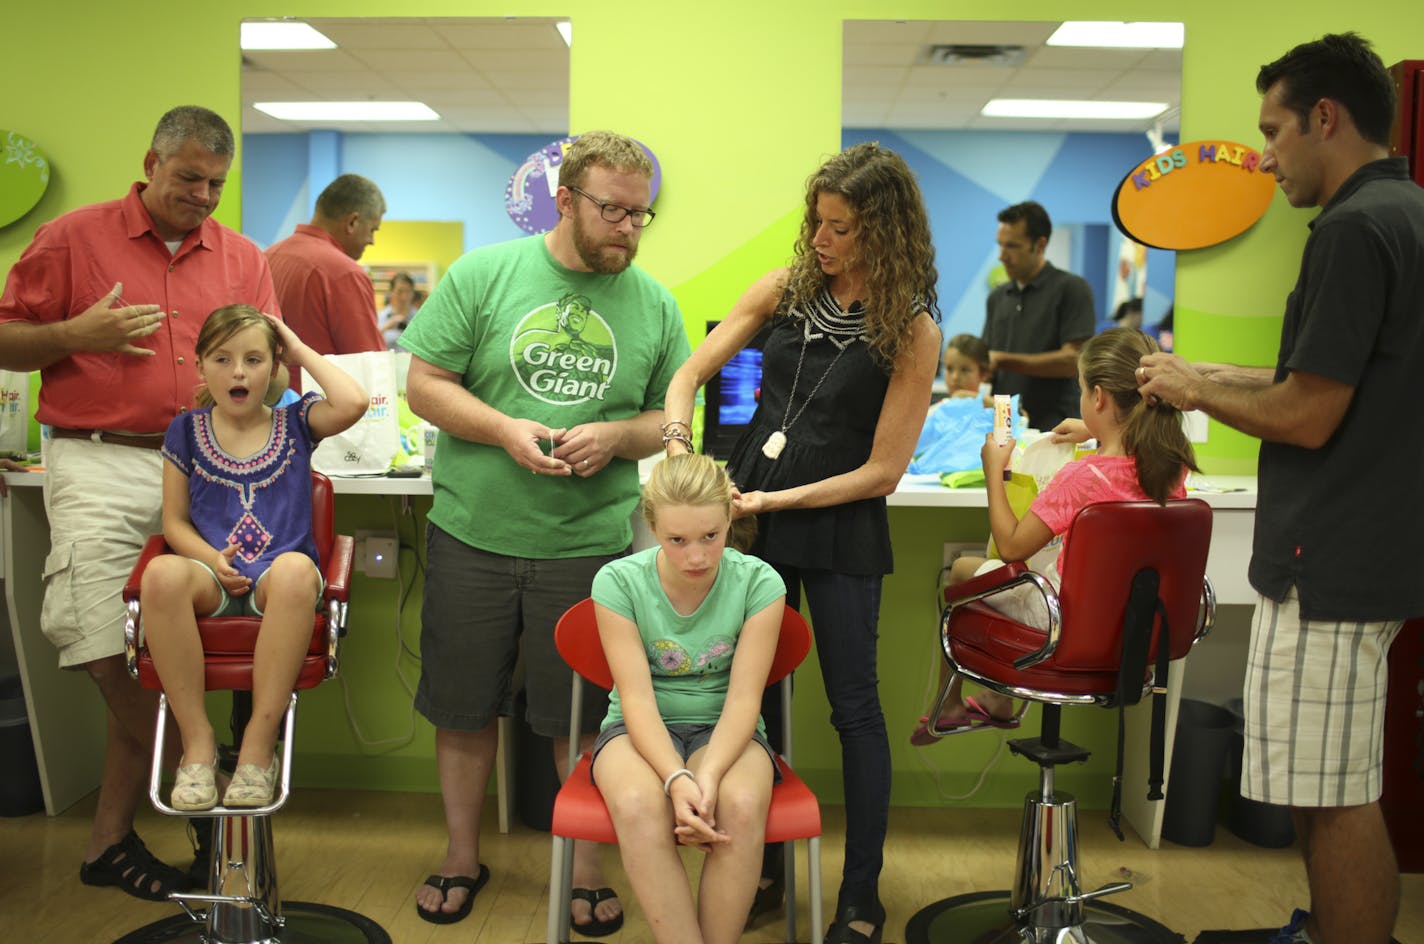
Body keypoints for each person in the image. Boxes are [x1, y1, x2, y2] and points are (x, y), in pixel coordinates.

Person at [1137, 33, 1420, 944]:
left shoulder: (1349, 230)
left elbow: (1309, 417)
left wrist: (1190, 391)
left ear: (1325, 119)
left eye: (1274, 130)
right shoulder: (1407, 213)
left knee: (1333, 801)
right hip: (1370, 546)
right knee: (1325, 785)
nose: (1264, 156)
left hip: (1328, 556)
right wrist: (1209, 371)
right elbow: (1333, 381)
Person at [399, 130, 689, 930]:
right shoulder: (486, 275)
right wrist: (500, 428)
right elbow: (424, 384)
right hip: (474, 535)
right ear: (564, 201)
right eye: (613, 211)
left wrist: (618, 437)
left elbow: (672, 418)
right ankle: (462, 857)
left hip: (590, 549)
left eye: (641, 214)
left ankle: (584, 869)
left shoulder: (654, 303)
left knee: (583, 722)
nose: (629, 229)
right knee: (462, 712)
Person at [663, 141, 941, 944]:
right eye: (817, 222)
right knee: (753, 706)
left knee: (854, 708)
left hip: (839, 518)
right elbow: (688, 377)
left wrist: (777, 496)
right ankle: (763, 873)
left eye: (842, 228)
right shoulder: (783, 292)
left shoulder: (912, 331)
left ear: (884, 233)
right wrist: (682, 443)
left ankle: (861, 895)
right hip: (752, 516)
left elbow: (884, 471)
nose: (821, 239)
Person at [0, 105, 280, 901]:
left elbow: (267, 360)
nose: (202, 196)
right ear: (151, 162)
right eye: (189, 177)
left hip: (210, 466)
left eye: (216, 184)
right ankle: (211, 793)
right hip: (100, 460)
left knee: (176, 649)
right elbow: (4, 336)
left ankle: (108, 845)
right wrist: (75, 335)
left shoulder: (242, 257)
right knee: (97, 637)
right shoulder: (72, 239)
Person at [911, 327, 1198, 745]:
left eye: (1083, 390)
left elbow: (1011, 546)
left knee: (962, 570)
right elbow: (1128, 458)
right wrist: (1098, 431)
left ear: (1098, 397)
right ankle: (994, 701)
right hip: (1133, 625)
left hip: (1063, 620)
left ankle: (956, 702)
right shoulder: (1172, 467)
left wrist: (994, 470)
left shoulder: (1082, 477)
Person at [139, 306, 365, 811]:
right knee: (160, 572)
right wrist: (211, 558)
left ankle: (257, 752)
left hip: (277, 582)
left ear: (274, 367)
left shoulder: (297, 421)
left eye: (254, 359)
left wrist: (296, 343)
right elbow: (173, 523)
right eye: (222, 359)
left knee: (291, 571)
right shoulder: (184, 430)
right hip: (210, 577)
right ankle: (196, 744)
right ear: (199, 367)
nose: (238, 372)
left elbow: (351, 402)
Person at [590, 453, 786, 944]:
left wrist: (709, 775)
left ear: (729, 520)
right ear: (652, 525)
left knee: (739, 804)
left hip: (726, 727)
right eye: (676, 540)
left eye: (711, 537)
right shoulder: (617, 583)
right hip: (636, 728)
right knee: (638, 803)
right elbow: (635, 700)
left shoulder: (760, 583)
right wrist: (678, 777)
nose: (696, 556)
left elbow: (745, 701)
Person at [982, 201, 1096, 431]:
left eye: (1012, 246)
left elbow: (1074, 361)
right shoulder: (997, 297)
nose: (1002, 256)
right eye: (1000, 245)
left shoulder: (1072, 289)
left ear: (1040, 244)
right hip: (1005, 425)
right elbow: (987, 360)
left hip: (1055, 427)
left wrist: (1003, 360)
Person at [264, 173, 386, 373]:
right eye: (373, 229)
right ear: (352, 222)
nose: (371, 240)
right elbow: (368, 364)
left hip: (267, 399)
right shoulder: (345, 273)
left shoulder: (266, 257)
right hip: (320, 400)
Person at [939, 333, 992, 404]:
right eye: (949, 369)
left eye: (965, 370)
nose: (955, 377)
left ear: (983, 374)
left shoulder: (997, 409)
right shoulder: (936, 410)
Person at [378, 271, 418, 349]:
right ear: (391, 292)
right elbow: (370, 342)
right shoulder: (380, 317)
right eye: (399, 292)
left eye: (408, 291)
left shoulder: (419, 318)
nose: (404, 297)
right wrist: (386, 327)